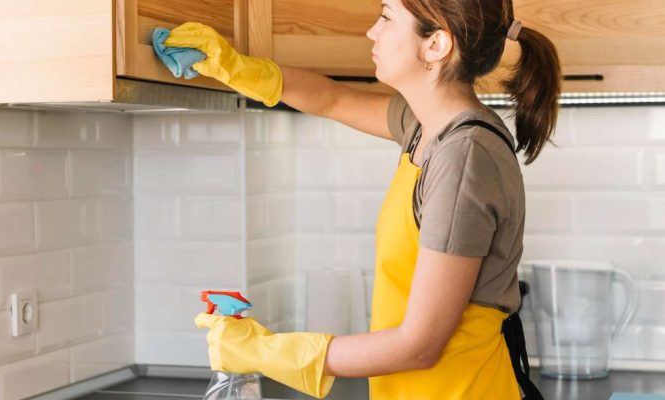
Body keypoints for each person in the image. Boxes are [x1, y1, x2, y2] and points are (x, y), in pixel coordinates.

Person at [167, 0, 560, 398]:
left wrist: (266, 352)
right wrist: (234, 66)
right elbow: (330, 99)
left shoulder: (463, 158)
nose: (372, 31)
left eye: (387, 17)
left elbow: (419, 345)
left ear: (436, 45)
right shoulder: (427, 128)